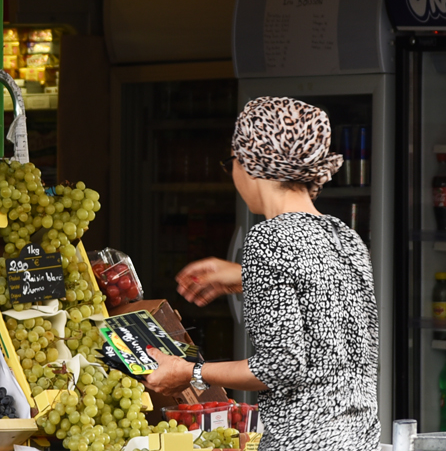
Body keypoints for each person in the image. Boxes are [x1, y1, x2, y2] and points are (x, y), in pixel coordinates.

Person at [140, 97, 379, 451]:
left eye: (231, 161)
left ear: (251, 162)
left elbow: (280, 365)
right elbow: (322, 298)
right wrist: (242, 276)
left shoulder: (269, 238)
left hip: (303, 442)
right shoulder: (343, 236)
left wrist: (190, 372)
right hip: (361, 439)